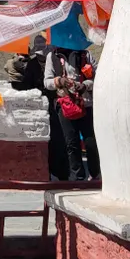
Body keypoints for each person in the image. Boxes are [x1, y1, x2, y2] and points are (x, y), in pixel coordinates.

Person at [5, 36, 69, 181]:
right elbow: (27, 85)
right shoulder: (32, 65)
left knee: (61, 139)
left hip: (58, 102)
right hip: (42, 105)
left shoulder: (55, 61)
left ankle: (62, 172)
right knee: (52, 139)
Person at [44, 46, 100, 181]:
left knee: (90, 141)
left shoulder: (85, 55)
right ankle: (78, 176)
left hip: (86, 104)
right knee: (71, 142)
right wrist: (59, 81)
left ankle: (95, 174)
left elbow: (98, 76)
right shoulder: (52, 57)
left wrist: (85, 85)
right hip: (65, 105)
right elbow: (47, 82)